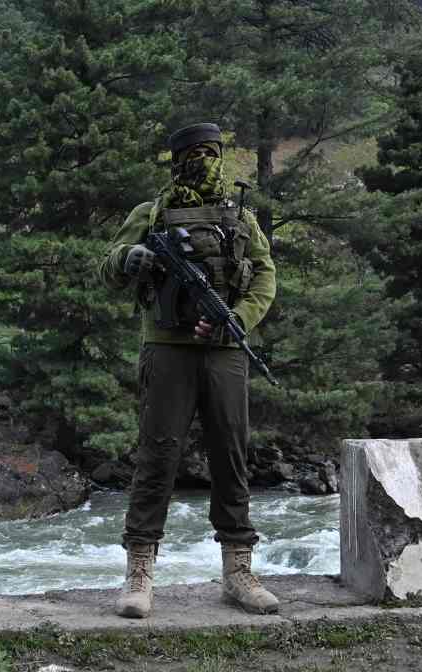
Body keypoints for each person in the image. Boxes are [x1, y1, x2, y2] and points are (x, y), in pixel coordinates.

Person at [99, 122, 278, 618]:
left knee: (231, 454)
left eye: (211, 152)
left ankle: (238, 571)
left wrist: (236, 319)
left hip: (226, 349)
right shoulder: (150, 213)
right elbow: (107, 268)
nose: (204, 161)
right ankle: (139, 574)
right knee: (157, 456)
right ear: (176, 160)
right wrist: (130, 258)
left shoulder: (241, 217)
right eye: (194, 153)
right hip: (167, 350)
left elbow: (264, 277)